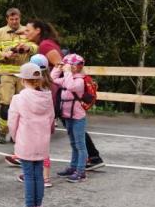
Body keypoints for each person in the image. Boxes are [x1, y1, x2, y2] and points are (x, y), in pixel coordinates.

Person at [25, 20, 105, 170]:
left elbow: (61, 65)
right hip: (58, 91)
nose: (25, 32)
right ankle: (92, 157)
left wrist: (53, 83)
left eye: (28, 30)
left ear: (38, 30)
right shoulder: (45, 44)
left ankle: (30, 156)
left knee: (46, 123)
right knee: (71, 127)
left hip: (57, 93)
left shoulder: (45, 45)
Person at [7, 62, 55, 207]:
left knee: (28, 175)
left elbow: (12, 123)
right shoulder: (47, 97)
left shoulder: (18, 98)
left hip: (26, 141)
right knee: (38, 174)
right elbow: (51, 119)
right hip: (42, 141)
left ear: (22, 80)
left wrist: (15, 138)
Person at [0, 8, 37, 144]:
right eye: (11, 19)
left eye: (16, 19)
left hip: (24, 73)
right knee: (6, 103)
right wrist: (3, 55)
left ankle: (16, 133)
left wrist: (29, 48)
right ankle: (2, 131)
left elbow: (36, 47)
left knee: (23, 105)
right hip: (7, 72)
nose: (14, 21)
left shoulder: (26, 30)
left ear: (20, 18)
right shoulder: (0, 32)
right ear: (7, 19)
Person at [53, 53, 90, 183]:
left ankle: (81, 172)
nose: (69, 67)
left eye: (71, 65)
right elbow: (52, 79)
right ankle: (73, 167)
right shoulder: (68, 77)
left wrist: (67, 72)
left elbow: (70, 86)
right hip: (67, 116)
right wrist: (58, 68)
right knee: (73, 144)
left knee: (80, 145)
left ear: (79, 67)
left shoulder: (79, 81)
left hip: (78, 117)